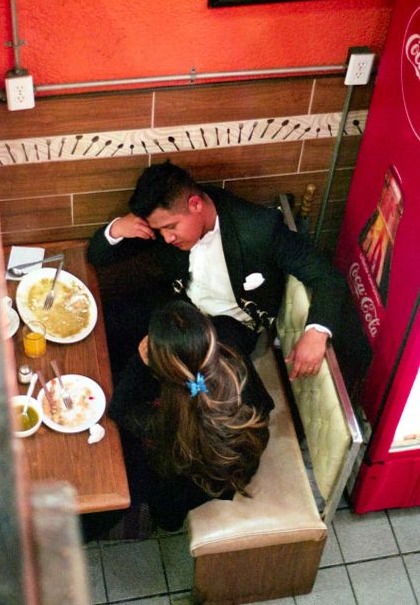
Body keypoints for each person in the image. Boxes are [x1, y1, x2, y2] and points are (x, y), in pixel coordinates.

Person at [88, 160, 348, 381]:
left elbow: (327, 276)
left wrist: (317, 332)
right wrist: (117, 228)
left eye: (171, 227)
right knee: (107, 323)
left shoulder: (259, 229)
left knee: (161, 373)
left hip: (229, 329)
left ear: (195, 205)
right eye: (159, 230)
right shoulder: (163, 221)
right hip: (177, 306)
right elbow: (96, 256)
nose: (165, 238)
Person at [84, 299, 272, 537]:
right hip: (238, 452)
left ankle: (133, 520)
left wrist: (140, 363)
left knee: (128, 469)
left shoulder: (173, 420)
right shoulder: (229, 350)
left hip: (198, 481)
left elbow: (120, 410)